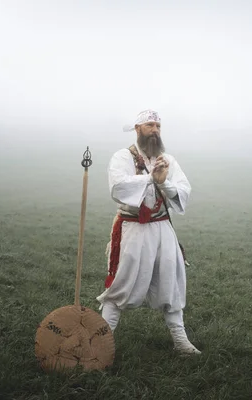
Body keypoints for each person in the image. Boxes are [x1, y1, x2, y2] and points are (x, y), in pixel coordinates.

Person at [96, 109, 201, 355]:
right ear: (137, 129)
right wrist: (151, 179)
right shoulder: (122, 157)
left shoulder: (168, 160)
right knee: (121, 284)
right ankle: (100, 344)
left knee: (172, 281)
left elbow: (184, 190)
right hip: (132, 228)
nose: (155, 130)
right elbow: (118, 187)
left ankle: (181, 341)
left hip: (163, 228)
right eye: (150, 125)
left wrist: (164, 182)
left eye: (158, 126)